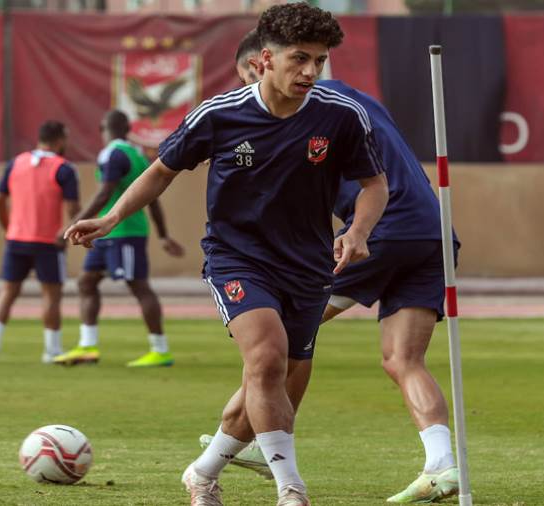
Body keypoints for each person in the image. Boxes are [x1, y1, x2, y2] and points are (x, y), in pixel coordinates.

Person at [64, 4, 388, 506]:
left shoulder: (340, 116)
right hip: (237, 258)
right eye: (299, 58)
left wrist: (357, 230)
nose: (310, 71)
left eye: (319, 61)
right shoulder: (219, 114)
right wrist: (111, 217)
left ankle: (203, 472)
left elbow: (374, 184)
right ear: (265, 59)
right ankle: (292, 490)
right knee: (266, 357)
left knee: (275, 376)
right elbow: (161, 171)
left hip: (308, 265)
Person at [198, 30, 459, 504]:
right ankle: (442, 463)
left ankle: (237, 451)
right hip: (433, 231)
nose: (250, 93)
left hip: (379, 233)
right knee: (403, 359)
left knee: (276, 347)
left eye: (248, 78)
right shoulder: (357, 101)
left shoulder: (319, 114)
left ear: (263, 64)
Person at [54, 110, 184, 367]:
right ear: (128, 129)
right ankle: (88, 345)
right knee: (87, 282)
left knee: (138, 285)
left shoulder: (113, 154)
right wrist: (163, 235)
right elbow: (153, 199)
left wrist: (74, 223)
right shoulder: (138, 155)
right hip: (109, 233)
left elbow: (105, 193)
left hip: (124, 232)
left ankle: (160, 350)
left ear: (104, 129)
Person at [0, 121, 80, 364]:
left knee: (7, 292)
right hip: (48, 242)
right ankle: (51, 351)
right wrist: (68, 231)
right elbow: (73, 209)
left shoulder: (16, 163)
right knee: (51, 295)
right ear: (60, 140)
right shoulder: (64, 168)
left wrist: (8, 227)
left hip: (16, 238)